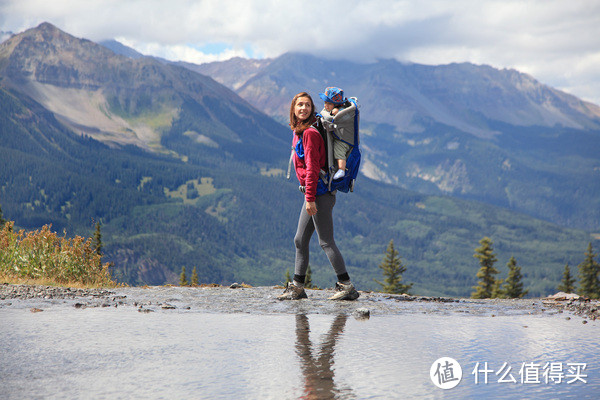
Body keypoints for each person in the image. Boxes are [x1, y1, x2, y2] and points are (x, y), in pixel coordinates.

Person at [277, 92, 359, 301]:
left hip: (319, 194)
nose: (303, 108)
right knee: (300, 240)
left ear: (311, 108)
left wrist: (310, 198)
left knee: (326, 241)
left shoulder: (310, 134)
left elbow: (313, 168)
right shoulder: (300, 130)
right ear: (293, 109)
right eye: (299, 105)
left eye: (306, 105)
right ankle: (297, 287)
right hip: (314, 192)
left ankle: (347, 286)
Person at [319, 86, 351, 180]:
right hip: (337, 135)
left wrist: (338, 112)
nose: (326, 106)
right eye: (325, 103)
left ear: (336, 105)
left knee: (338, 149)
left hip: (343, 139)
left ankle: (341, 169)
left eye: (329, 103)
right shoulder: (328, 110)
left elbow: (343, 116)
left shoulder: (341, 112)